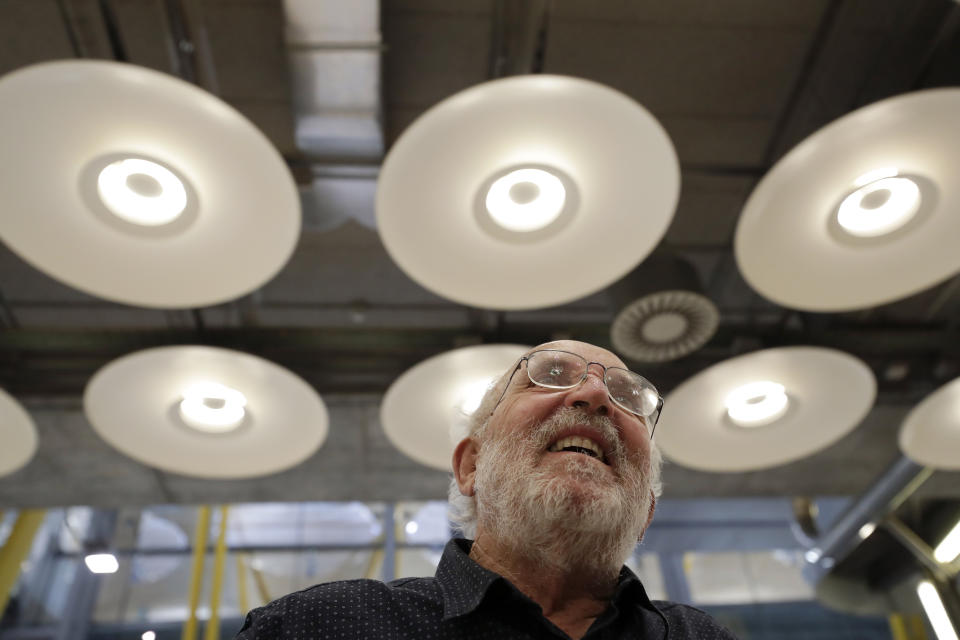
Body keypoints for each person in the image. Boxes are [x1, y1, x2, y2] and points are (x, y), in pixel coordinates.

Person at [236, 340, 738, 639]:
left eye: (628, 396)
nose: (593, 394)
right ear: (471, 465)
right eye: (550, 376)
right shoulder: (321, 627)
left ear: (645, 512)